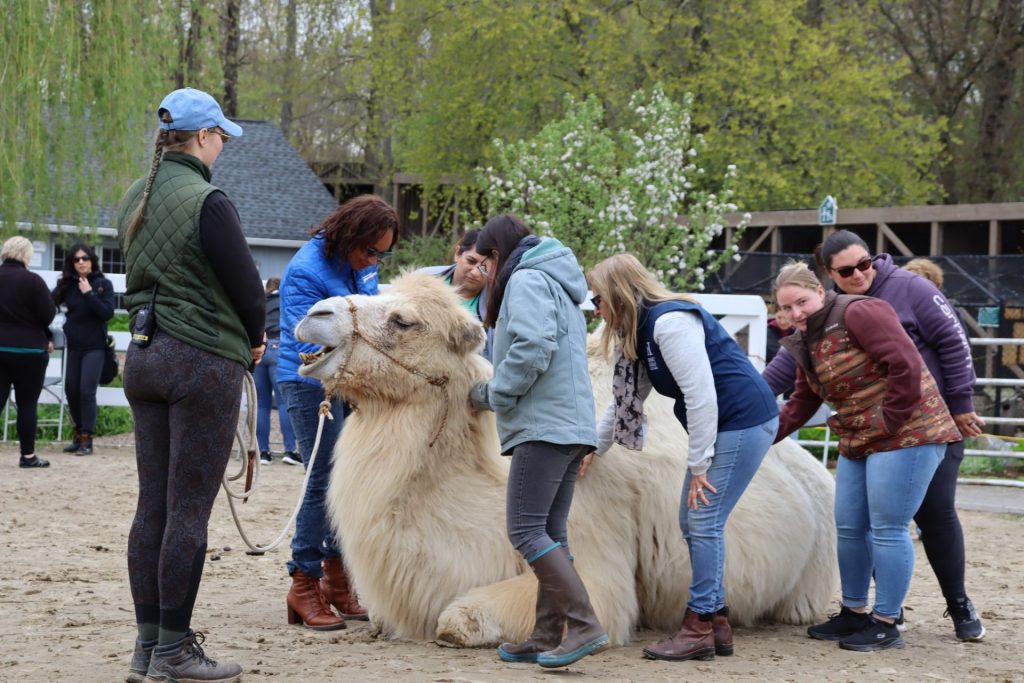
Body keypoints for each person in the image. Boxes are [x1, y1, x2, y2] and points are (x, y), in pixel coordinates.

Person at [762, 231, 986, 642]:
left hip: (909, 430)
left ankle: (891, 621)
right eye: (786, 307)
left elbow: (911, 362)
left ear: (820, 291)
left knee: (898, 524)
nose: (795, 312)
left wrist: (934, 408)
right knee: (849, 524)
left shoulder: (869, 308)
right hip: (861, 434)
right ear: (831, 276)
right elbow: (802, 396)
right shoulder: (806, 337)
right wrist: (760, 433)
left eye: (802, 302)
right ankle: (854, 611)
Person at [115, 87, 265, 683]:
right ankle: (174, 650)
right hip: (200, 361)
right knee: (187, 512)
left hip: (144, 357)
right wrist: (255, 337)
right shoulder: (209, 201)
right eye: (220, 136)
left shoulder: (136, 194)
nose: (222, 144)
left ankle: (147, 648)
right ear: (203, 136)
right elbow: (247, 286)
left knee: (151, 506)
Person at [586, 253, 778, 662]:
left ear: (618, 294)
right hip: (727, 423)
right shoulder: (639, 332)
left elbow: (701, 395)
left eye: (597, 298)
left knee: (703, 520)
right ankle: (717, 621)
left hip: (743, 420)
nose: (595, 308)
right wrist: (593, 449)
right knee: (692, 522)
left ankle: (700, 626)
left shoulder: (669, 323)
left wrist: (699, 464)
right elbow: (625, 403)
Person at [468, 215, 608, 669]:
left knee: (525, 530)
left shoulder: (526, 279)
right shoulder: (557, 282)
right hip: (571, 425)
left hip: (543, 426)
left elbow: (532, 346)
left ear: (496, 254)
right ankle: (547, 633)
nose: (483, 273)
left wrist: (493, 393)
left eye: (484, 263)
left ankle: (585, 624)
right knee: (551, 532)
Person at [277, 193, 397, 631]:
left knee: (349, 477)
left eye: (382, 254)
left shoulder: (360, 262)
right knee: (322, 480)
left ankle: (337, 577)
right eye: (371, 251)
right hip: (311, 382)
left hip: (351, 381)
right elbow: (308, 340)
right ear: (350, 236)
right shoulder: (306, 271)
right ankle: (303, 582)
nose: (374, 261)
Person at [52, 243, 115, 456]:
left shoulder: (103, 284)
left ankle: (87, 439)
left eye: (85, 258)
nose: (81, 262)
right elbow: (47, 305)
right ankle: (78, 435)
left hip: (95, 347)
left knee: (86, 391)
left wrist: (89, 294)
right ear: (72, 263)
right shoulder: (67, 285)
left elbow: (107, 313)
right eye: (76, 259)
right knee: (71, 389)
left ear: (92, 260)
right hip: (73, 347)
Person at [0, 236, 56, 469]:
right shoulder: (33, 281)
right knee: (27, 404)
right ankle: (28, 456)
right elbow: (48, 314)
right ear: (26, 255)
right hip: (30, 350)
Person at [416, 228, 492, 358]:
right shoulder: (421, 280)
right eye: (471, 261)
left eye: (485, 268)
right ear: (457, 254)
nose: (475, 272)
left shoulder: (495, 305)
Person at [254, 277, 298, 465]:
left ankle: (263, 453)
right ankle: (289, 451)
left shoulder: (260, 301)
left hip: (260, 350)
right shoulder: (286, 301)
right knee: (283, 403)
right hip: (280, 348)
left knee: (261, 405)